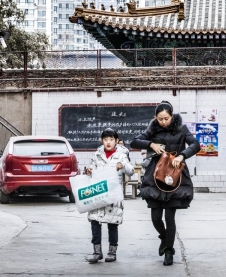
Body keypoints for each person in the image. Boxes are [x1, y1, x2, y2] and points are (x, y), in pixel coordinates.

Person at [131, 101, 201, 266]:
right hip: (155, 176)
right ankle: (164, 238)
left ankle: (169, 251)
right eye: (160, 119)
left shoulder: (181, 129)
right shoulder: (152, 129)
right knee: (156, 217)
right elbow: (134, 141)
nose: (163, 122)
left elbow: (195, 144)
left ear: (172, 116)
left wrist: (182, 156)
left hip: (175, 176)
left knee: (170, 217)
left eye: (166, 118)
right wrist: (150, 144)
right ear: (156, 118)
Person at [84, 128, 134, 263]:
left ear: (116, 141)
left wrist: (122, 164)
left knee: (112, 223)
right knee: (95, 220)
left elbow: (131, 171)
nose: (108, 142)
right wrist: (88, 171)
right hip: (98, 192)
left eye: (111, 139)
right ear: (102, 141)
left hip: (113, 194)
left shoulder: (121, 155)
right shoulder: (97, 155)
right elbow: (91, 170)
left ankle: (112, 252)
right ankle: (97, 251)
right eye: (105, 139)